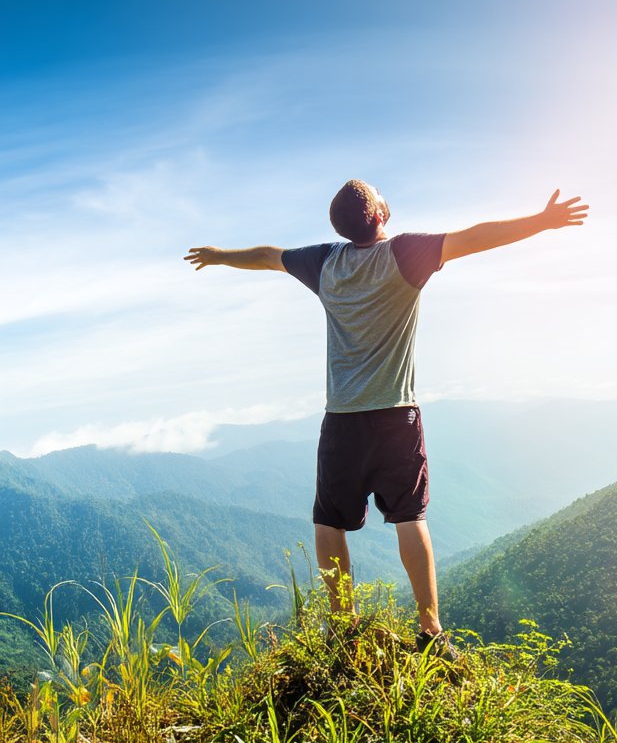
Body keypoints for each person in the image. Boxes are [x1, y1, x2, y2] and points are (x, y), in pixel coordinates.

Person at [184, 180, 589, 653]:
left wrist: (219, 255)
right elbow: (477, 237)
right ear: (378, 214)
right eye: (379, 195)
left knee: (329, 522)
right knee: (410, 517)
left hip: (342, 418)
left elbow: (269, 255)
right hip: (397, 415)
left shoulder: (324, 262)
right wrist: (539, 222)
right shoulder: (404, 254)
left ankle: (342, 627)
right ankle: (431, 632)